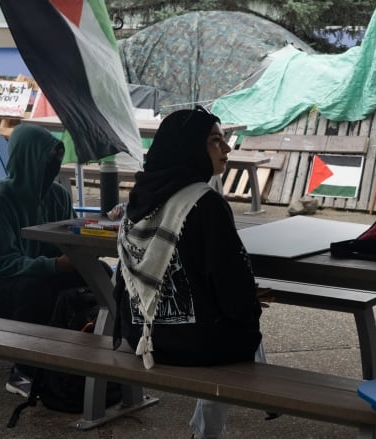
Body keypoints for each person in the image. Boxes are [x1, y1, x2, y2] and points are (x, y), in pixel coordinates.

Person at [114, 106, 263, 439]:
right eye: (215, 141)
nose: (226, 149)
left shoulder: (139, 198)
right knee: (244, 319)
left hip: (142, 337)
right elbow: (233, 290)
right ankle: (208, 432)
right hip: (195, 346)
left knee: (240, 313)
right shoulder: (204, 202)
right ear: (189, 147)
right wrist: (249, 305)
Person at [0, 124, 87, 397]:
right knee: (33, 290)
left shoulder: (58, 195)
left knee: (96, 277)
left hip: (35, 270)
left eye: (56, 156)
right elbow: (4, 263)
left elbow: (69, 240)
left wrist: (81, 256)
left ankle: (82, 361)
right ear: (27, 157)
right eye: (46, 157)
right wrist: (55, 265)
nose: (52, 163)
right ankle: (24, 371)